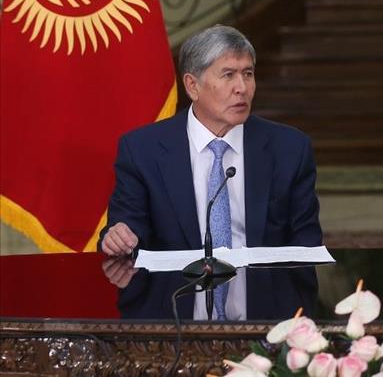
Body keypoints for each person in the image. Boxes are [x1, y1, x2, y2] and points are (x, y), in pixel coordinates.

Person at [99, 25, 322, 256]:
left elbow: (307, 243)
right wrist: (119, 238)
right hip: (176, 279)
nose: (242, 88)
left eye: (248, 74)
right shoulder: (142, 150)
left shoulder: (290, 148)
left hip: (261, 279)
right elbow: (127, 227)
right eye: (228, 75)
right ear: (192, 86)